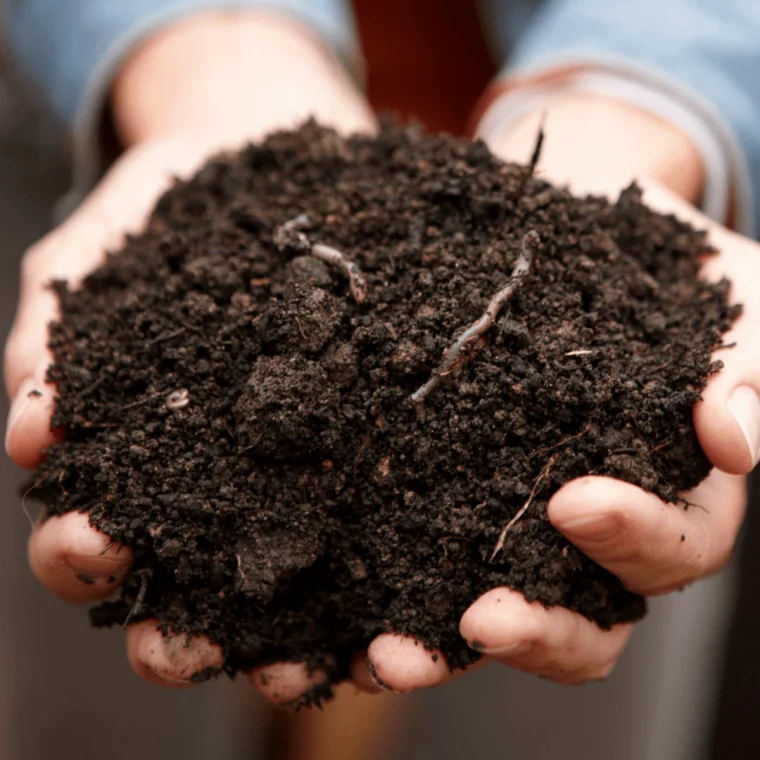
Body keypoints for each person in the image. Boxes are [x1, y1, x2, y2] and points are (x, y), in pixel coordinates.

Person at [2, 0, 759, 707]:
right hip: (84, 96)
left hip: (641, 73)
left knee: (541, 682)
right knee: (99, 704)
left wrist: (654, 91)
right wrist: (203, 56)